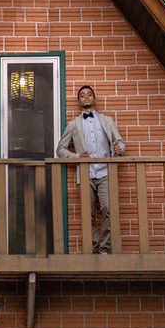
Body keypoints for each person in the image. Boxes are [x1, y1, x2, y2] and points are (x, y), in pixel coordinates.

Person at [55, 85, 126, 254]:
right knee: (88, 213)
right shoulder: (73, 125)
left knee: (108, 208)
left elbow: (120, 142)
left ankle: (105, 248)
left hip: (105, 172)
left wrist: (119, 149)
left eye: (89, 95)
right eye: (82, 95)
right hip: (85, 174)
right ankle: (94, 250)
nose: (86, 97)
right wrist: (76, 157)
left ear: (95, 99)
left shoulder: (107, 120)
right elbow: (60, 149)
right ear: (79, 101)